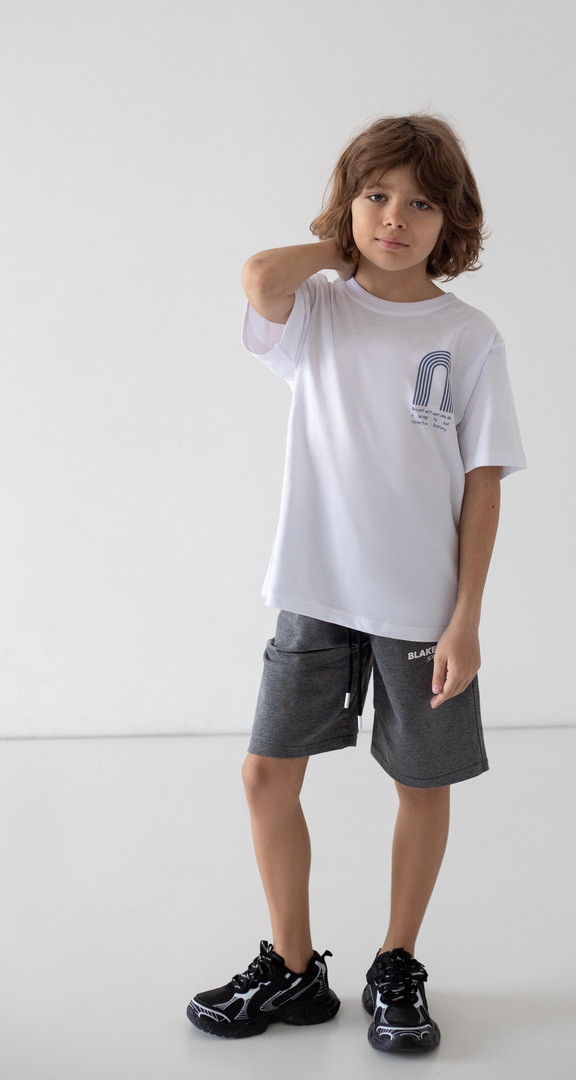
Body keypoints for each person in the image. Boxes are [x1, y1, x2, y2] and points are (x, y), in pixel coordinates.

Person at [186, 113, 527, 1055]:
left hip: (422, 606)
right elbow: (260, 276)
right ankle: (293, 969)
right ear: (348, 206)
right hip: (315, 587)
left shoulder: (467, 335)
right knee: (265, 773)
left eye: (421, 204)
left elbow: (484, 484)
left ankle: (396, 963)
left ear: (451, 220)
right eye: (377, 196)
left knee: (422, 781)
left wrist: (467, 618)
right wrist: (343, 244)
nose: (395, 219)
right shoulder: (319, 312)